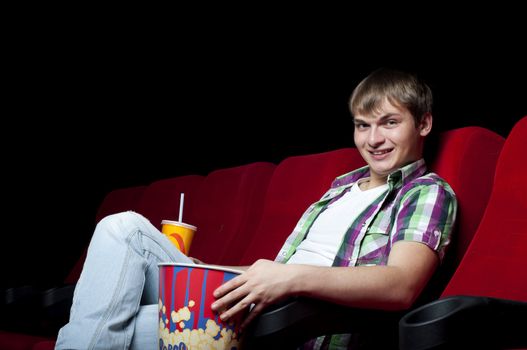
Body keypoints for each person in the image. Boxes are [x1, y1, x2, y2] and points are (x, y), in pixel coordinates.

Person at [55, 68, 457, 349]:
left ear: (422, 124)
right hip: (260, 296)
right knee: (120, 227)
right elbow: (275, 270)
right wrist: (219, 272)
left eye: (389, 123)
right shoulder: (339, 190)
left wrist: (289, 277)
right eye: (362, 125)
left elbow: (401, 286)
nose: (372, 139)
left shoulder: (425, 192)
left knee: (103, 326)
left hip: (287, 324)